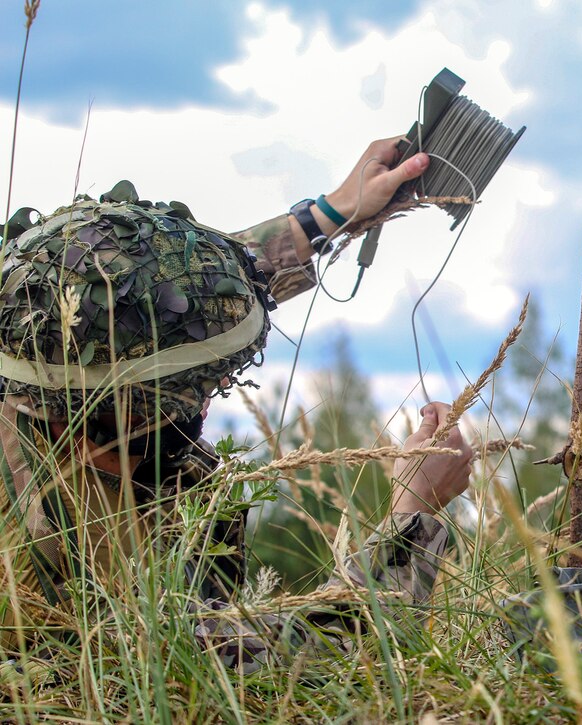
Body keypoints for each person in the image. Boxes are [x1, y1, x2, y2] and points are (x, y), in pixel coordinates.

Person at [0, 137, 474, 674]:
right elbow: (300, 668)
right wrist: (413, 512)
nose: (219, 383)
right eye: (194, 388)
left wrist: (329, 214)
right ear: (98, 428)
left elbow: (143, 294)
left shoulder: (31, 350)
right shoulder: (67, 567)